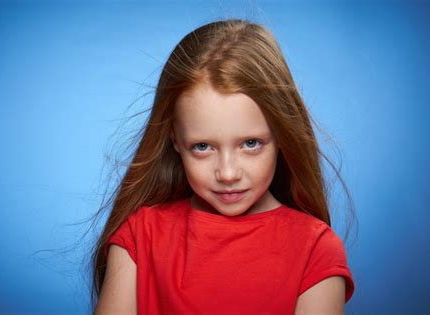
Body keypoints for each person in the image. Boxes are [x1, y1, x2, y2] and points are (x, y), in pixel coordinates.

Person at [92, 19, 355, 314]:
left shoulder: (315, 249)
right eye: (202, 147)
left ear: (282, 134)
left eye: (251, 143)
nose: (228, 173)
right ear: (175, 140)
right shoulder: (139, 237)